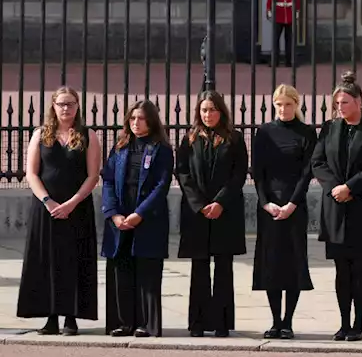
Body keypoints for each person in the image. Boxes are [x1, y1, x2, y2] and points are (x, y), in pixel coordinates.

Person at [16, 87, 101, 335]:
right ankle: (50, 317)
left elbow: (93, 175)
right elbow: (31, 173)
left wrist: (72, 203)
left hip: (77, 208)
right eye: (62, 104)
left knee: (74, 259)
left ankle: (71, 318)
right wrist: (48, 201)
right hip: (46, 209)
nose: (66, 108)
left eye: (71, 104)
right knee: (48, 261)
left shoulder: (88, 135)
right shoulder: (41, 135)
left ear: (78, 107)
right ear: (53, 106)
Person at [312, 72, 362, 342]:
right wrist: (334, 187)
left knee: (359, 269)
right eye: (338, 104)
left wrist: (350, 188)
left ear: (359, 102)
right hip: (335, 208)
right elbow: (318, 162)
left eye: (345, 102)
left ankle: (358, 323)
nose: (341, 108)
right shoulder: (330, 128)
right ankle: (343, 322)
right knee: (341, 269)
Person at [175, 91, 248, 338]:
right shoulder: (190, 138)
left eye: (213, 110)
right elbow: (182, 172)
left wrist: (219, 202)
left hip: (225, 212)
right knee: (199, 267)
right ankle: (197, 322)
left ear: (221, 112)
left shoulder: (234, 139)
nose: (208, 115)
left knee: (224, 268)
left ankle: (222, 323)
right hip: (197, 213)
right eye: (204, 110)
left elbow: (239, 174)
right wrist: (199, 203)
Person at [101, 100, 173, 337]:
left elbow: (162, 185)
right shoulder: (120, 146)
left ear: (151, 120)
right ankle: (123, 322)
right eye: (132, 118)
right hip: (120, 217)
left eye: (141, 118)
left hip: (147, 217)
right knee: (121, 268)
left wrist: (139, 213)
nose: (136, 123)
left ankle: (145, 323)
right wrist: (113, 213)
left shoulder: (161, 148)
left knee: (146, 271)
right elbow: (108, 180)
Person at [251, 84, 316, 339]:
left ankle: (288, 321)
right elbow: (257, 171)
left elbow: (306, 172)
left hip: (294, 206)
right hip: (269, 207)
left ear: (296, 105)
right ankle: (275, 320)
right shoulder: (264, 133)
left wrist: (292, 204)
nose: (283, 109)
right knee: (272, 264)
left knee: (293, 264)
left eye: (288, 104)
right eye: (279, 104)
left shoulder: (306, 132)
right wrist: (266, 202)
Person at [266, 0, 295, 67]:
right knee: (276, 39)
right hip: (278, 13)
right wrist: (269, 9)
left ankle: (289, 60)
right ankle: (275, 60)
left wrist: (297, 11)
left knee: (289, 40)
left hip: (289, 14)